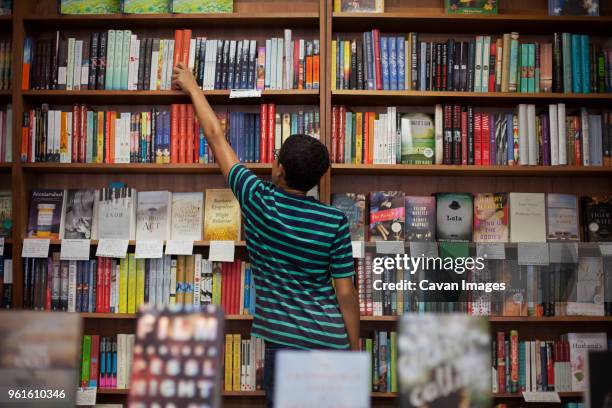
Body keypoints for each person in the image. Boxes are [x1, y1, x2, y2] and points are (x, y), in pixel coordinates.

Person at [172, 63, 360, 407]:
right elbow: (345, 294)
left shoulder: (257, 199)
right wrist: (354, 348)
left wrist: (193, 87)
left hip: (286, 346)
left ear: (279, 169)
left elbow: (215, 136)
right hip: (331, 341)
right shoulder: (334, 220)